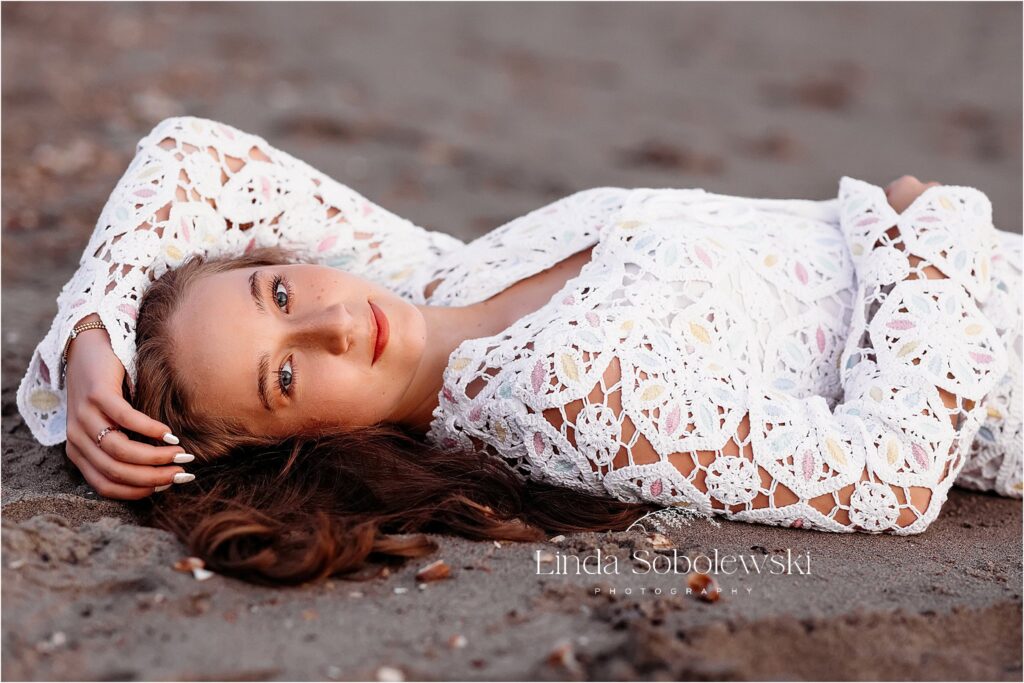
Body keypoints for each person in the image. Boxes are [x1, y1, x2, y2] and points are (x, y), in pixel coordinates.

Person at [18, 117, 1022, 584]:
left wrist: (96, 327)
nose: (327, 322)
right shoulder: (556, 399)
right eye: (285, 375)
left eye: (277, 289)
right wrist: (925, 246)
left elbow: (195, 157)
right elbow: (885, 477)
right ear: (301, 443)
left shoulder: (441, 279)